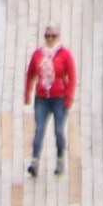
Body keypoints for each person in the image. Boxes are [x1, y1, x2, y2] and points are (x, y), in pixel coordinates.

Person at [24, 24, 76, 179]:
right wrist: (27, 93)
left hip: (59, 98)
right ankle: (34, 162)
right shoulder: (38, 55)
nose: (50, 39)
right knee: (39, 129)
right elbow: (30, 74)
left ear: (58, 37)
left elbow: (72, 77)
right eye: (48, 36)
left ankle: (60, 160)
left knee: (58, 130)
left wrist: (68, 97)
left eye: (53, 36)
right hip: (42, 98)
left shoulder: (65, 54)